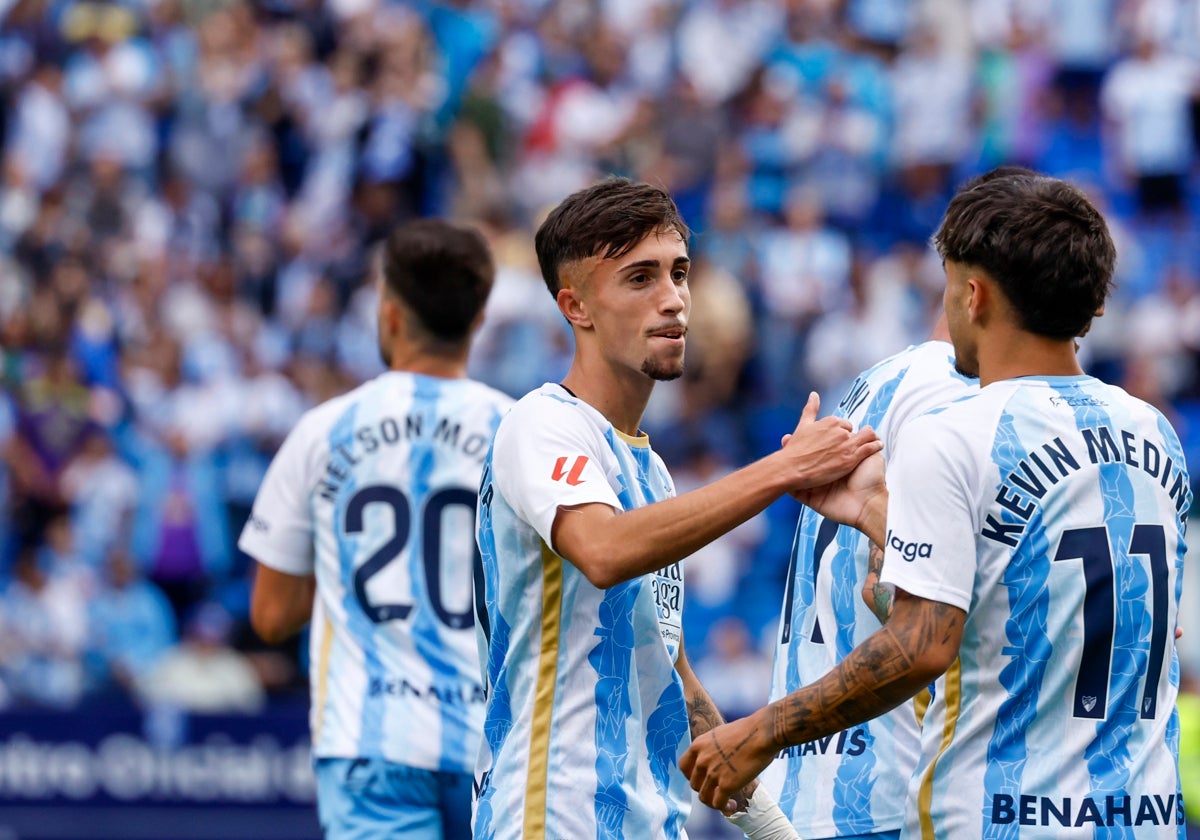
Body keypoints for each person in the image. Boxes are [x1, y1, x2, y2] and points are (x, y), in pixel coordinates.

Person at [682, 168, 1192, 838]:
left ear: (973, 295)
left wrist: (761, 731)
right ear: (1093, 302)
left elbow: (921, 644)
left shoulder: (956, 432)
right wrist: (873, 516)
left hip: (1003, 817)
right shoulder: (1153, 430)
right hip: (1143, 815)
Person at [472, 177, 881, 840]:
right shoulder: (541, 423)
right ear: (575, 305)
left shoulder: (652, 473)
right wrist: (783, 470)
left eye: (680, 273)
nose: (673, 300)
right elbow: (603, 551)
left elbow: (679, 690)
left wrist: (779, 835)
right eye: (640, 279)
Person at [238, 218, 513, 839]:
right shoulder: (520, 433)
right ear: (478, 318)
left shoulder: (322, 431)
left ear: (389, 315)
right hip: (496, 751)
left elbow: (271, 615)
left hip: (371, 742)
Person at [762, 315, 976, 840]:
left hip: (812, 782)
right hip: (892, 787)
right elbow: (888, 594)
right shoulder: (953, 394)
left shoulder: (876, 381)